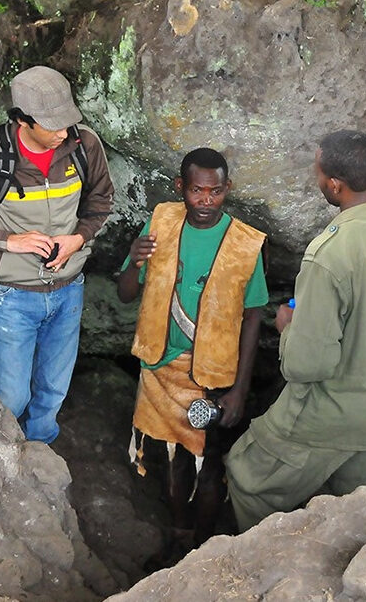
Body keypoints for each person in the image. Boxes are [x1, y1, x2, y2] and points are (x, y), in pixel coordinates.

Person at [224, 130, 366, 532]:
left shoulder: (327, 253)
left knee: (248, 476)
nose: (318, 180)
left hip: (332, 413)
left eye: (319, 173)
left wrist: (288, 328)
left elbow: (307, 364)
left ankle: (264, 572)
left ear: (334, 184)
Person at [0, 66, 114, 444]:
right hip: (11, 297)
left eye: (68, 122)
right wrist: (9, 241)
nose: (64, 133)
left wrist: (78, 238)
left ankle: (40, 456)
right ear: (23, 120)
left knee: (53, 391)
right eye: (54, 126)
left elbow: (102, 201)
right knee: (12, 397)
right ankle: (7, 455)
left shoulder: (84, 145)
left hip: (68, 290)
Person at [118, 147, 268, 565]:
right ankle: (181, 537)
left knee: (207, 463)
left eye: (215, 192)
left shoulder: (244, 242)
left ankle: (204, 549)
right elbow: (126, 293)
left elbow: (254, 317)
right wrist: (132, 259)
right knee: (171, 460)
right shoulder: (162, 221)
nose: (206, 201)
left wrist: (239, 390)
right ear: (180, 188)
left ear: (227, 190)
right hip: (160, 369)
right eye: (197, 191)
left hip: (211, 377)